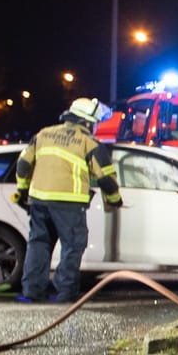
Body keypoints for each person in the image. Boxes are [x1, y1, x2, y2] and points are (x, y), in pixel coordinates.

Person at [12, 97, 121, 303]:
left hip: (39, 200)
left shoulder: (43, 134)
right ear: (87, 122)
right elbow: (106, 178)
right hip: (69, 204)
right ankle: (66, 294)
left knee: (38, 244)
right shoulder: (89, 143)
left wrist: (23, 191)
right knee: (72, 247)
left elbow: (23, 166)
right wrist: (114, 200)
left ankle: (32, 292)